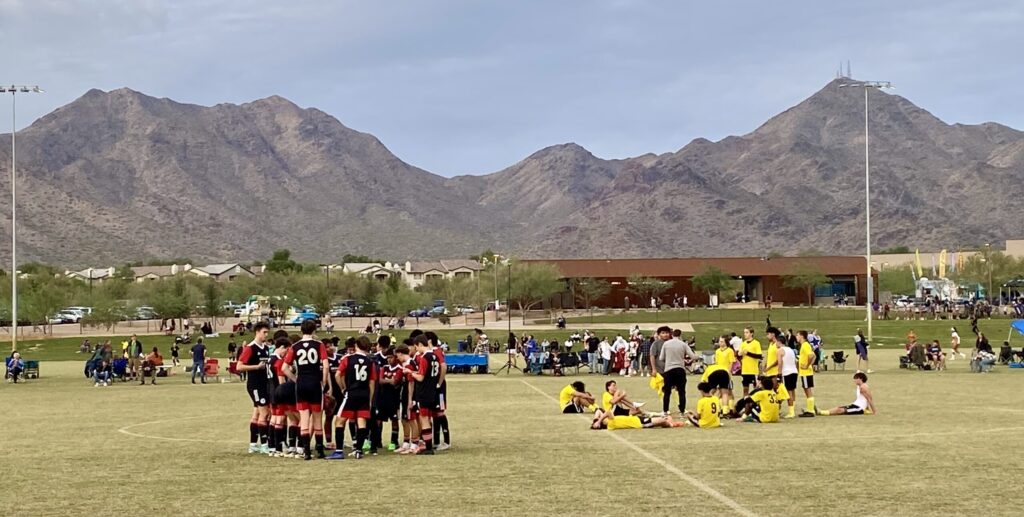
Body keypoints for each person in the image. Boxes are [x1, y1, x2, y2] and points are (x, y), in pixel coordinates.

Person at [281, 320, 329, 460]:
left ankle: (306, 452)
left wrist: (296, 379)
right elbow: (325, 366)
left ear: (301, 330)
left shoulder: (295, 346)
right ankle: (319, 450)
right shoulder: (319, 345)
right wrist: (324, 381)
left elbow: (284, 368)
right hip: (315, 383)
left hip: (301, 383)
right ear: (314, 330)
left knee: (304, 417)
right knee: (317, 418)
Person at [328, 336, 377, 459]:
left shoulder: (347, 359)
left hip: (352, 393)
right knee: (361, 422)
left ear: (356, 346)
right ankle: (358, 451)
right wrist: (370, 399)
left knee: (339, 421)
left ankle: (339, 451)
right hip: (364, 394)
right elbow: (372, 383)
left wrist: (343, 387)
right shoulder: (370, 362)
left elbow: (338, 375)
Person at [402, 334, 442, 455]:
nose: (416, 350)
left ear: (420, 344)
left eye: (416, 347)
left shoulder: (424, 357)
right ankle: (428, 444)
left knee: (423, 419)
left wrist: (410, 371)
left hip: (424, 392)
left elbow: (420, 377)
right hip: (433, 391)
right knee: (428, 418)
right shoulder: (435, 356)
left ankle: (428, 447)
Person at [237, 322, 272, 454]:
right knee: (264, 413)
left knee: (257, 414)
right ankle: (264, 444)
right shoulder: (250, 348)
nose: (266, 335)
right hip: (255, 385)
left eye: (267, 332)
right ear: (257, 332)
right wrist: (256, 367)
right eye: (264, 332)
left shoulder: (266, 348)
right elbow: (239, 366)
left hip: (264, 384)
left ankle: (253, 444)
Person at [658, 327, 696, 415]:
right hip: (680, 369)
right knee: (681, 391)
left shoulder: (666, 344)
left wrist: (669, 360)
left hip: (669, 370)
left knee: (667, 391)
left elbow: (661, 358)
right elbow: (693, 356)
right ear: (680, 335)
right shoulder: (683, 344)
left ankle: (665, 410)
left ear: (672, 335)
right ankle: (682, 410)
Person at [373, 346, 404, 452]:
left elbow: (396, 381)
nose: (389, 360)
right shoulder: (384, 368)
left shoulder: (400, 369)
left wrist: (389, 380)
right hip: (382, 398)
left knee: (394, 420)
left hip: (394, 399)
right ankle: (377, 440)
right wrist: (389, 380)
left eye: (390, 357)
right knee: (378, 419)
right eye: (387, 358)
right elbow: (380, 380)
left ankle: (394, 441)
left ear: (395, 357)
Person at [590, 407, 680, 430]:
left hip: (636, 419)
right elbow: (608, 412)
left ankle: (671, 422)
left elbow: (598, 411)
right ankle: (672, 424)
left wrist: (596, 420)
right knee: (663, 420)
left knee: (664, 419)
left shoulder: (609, 420)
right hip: (639, 424)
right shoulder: (610, 424)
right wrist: (598, 421)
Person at [796, 330, 817, 417]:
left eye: (797, 335)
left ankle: (811, 410)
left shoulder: (805, 345)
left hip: (806, 372)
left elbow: (811, 356)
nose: (796, 337)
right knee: (807, 390)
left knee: (807, 390)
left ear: (802, 336)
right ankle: (810, 408)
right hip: (806, 372)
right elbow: (814, 355)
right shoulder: (805, 345)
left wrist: (807, 365)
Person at [738, 327, 762, 397]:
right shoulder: (743, 344)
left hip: (753, 370)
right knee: (745, 389)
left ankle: (756, 405)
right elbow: (739, 354)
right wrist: (740, 354)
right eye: (744, 332)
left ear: (751, 333)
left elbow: (759, 356)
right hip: (745, 370)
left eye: (747, 332)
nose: (745, 334)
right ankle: (746, 405)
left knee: (756, 389)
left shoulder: (756, 343)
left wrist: (748, 353)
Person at [779, 335, 799, 418]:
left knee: (788, 392)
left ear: (779, 342)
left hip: (787, 372)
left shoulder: (780, 350)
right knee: (792, 391)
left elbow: (780, 363)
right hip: (794, 371)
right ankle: (792, 409)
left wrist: (779, 373)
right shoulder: (790, 349)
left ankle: (791, 412)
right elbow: (796, 361)